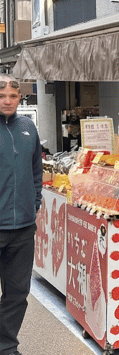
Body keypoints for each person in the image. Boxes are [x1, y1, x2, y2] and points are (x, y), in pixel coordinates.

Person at [0, 75, 43, 355]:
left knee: (17, 294)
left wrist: (34, 203)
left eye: (13, 96)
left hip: (23, 228)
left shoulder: (28, 127)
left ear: (20, 98)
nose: (7, 100)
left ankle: (6, 346)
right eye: (2, 95)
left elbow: (36, 170)